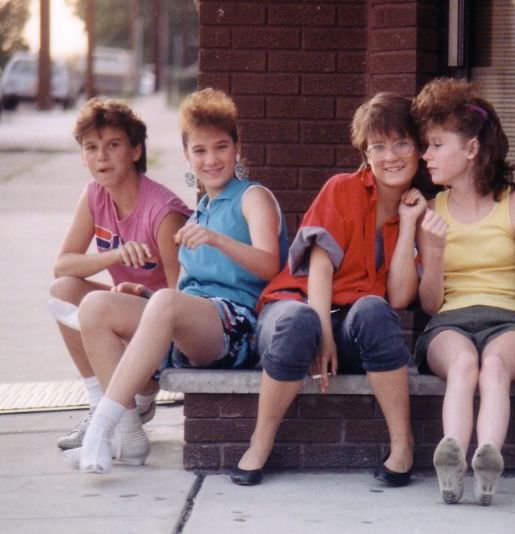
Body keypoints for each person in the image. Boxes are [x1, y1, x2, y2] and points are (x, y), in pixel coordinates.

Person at [67, 88, 288, 474]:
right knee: (96, 306)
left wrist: (219, 240)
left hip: (237, 327)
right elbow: (187, 292)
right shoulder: (200, 209)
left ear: (237, 148)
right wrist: (145, 294)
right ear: (187, 156)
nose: (211, 159)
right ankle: (130, 435)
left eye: (221, 147)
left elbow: (270, 265)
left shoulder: (252, 197)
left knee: (166, 302)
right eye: (200, 151)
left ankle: (101, 427)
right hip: (191, 322)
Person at [231, 92, 426, 487]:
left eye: (401, 143)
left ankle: (402, 446)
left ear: (419, 148)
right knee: (299, 320)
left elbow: (401, 299)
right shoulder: (342, 189)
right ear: (365, 153)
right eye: (378, 146)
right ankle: (260, 442)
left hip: (352, 325)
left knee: (374, 309)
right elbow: (319, 268)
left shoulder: (422, 211)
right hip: (297, 308)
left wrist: (408, 226)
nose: (391, 156)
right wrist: (323, 335)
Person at [411, 78, 515, 506]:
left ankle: (488, 457)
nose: (425, 155)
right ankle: (452, 454)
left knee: (493, 366)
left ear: (471, 149)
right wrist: (432, 251)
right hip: (449, 323)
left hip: (508, 322)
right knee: (466, 362)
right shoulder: (433, 211)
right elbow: (430, 303)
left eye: (436, 145)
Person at [50, 98, 191, 451]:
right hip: (125, 313)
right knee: (63, 291)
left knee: (96, 305)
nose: (102, 157)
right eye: (91, 148)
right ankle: (102, 403)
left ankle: (137, 398)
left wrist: (143, 296)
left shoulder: (163, 211)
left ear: (135, 150)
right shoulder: (94, 195)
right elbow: (63, 263)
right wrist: (112, 256)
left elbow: (182, 295)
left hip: (165, 327)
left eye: (113, 145)